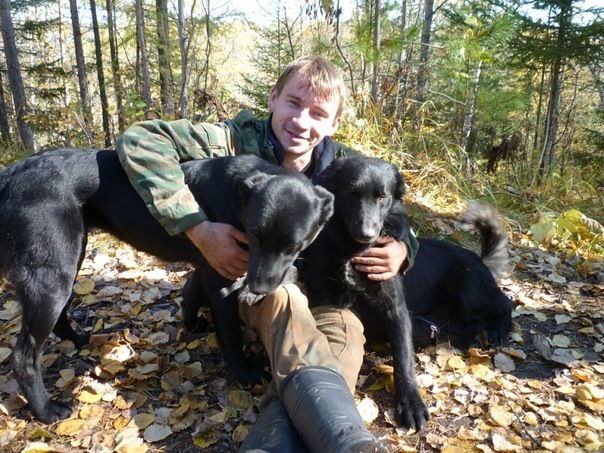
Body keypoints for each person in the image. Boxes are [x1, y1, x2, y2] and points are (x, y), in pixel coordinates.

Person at [116, 56, 417, 453]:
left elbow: (393, 210)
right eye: (294, 102)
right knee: (286, 300)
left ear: (334, 123)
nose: (302, 121)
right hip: (253, 282)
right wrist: (196, 227)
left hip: (321, 293)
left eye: (318, 113)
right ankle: (336, 437)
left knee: (345, 329)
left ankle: (290, 436)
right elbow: (140, 140)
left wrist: (403, 249)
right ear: (273, 99)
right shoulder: (230, 140)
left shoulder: (346, 168)